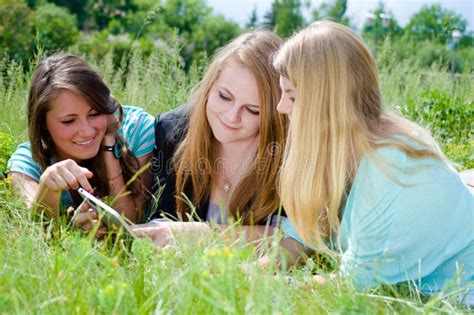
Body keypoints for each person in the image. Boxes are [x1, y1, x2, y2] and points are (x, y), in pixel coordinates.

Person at [271, 21, 473, 300]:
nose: (280, 107)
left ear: (326, 103)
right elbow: (304, 233)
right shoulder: (339, 151)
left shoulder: (390, 167)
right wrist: (261, 266)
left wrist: (269, 287)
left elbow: (353, 283)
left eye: (291, 96)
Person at [132, 30, 287, 244]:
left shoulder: (288, 153)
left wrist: (202, 234)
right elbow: (162, 219)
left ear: (274, 114)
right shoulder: (172, 130)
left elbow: (297, 239)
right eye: (224, 96)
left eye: (253, 110)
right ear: (209, 85)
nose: (232, 117)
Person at [7, 54, 154, 230]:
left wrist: (109, 143)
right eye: (68, 121)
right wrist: (49, 190)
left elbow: (131, 220)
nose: (87, 132)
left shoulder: (136, 129)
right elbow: (36, 232)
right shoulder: (26, 163)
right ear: (43, 124)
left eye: (94, 114)